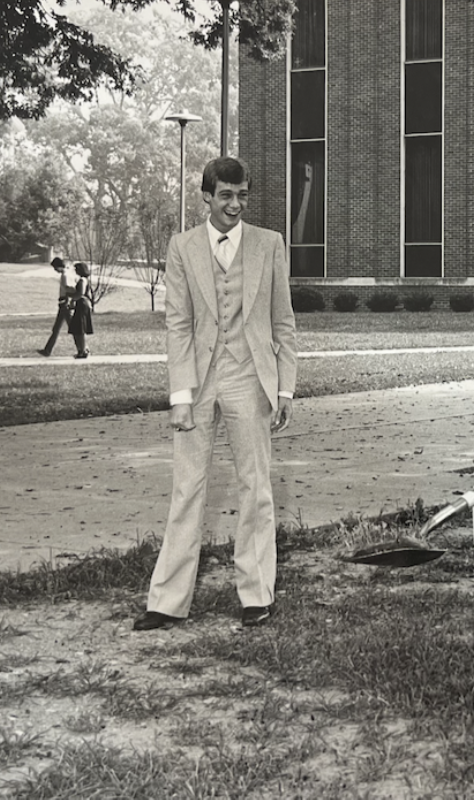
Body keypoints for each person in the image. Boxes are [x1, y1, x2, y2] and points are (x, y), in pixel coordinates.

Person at [134, 157, 298, 632]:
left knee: (255, 487)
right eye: (226, 195)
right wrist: (180, 396)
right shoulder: (182, 247)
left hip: (251, 377)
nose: (235, 204)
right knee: (187, 488)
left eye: (242, 195)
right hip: (199, 379)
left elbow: (283, 322)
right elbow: (178, 324)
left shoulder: (269, 244)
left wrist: (285, 387)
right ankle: (167, 602)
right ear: (206, 196)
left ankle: (256, 595)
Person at [37, 257, 76, 356]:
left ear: (59, 266)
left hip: (65, 303)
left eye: (55, 268)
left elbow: (69, 288)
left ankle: (83, 348)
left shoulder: (65, 275)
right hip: (63, 303)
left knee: (72, 328)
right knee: (56, 328)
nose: (55, 270)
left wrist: (70, 298)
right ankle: (47, 350)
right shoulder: (68, 273)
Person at [67, 262, 93, 358]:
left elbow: (80, 293)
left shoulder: (82, 280)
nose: (75, 271)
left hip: (82, 304)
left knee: (80, 329)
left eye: (76, 269)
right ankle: (83, 349)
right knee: (78, 328)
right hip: (83, 304)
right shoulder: (86, 280)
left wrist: (72, 297)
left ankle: (83, 350)